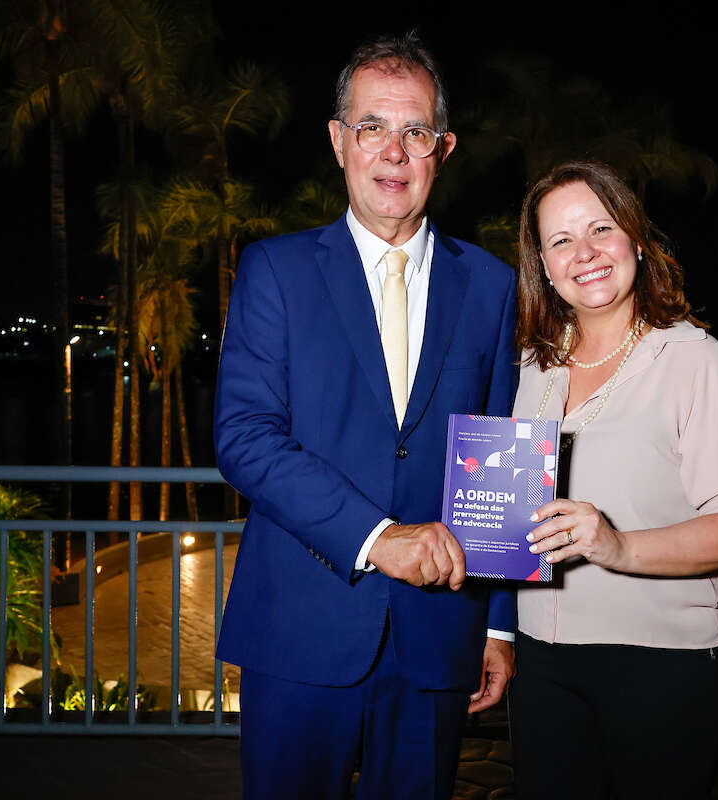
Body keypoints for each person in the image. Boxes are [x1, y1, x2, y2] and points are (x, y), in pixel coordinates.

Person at [213, 32, 517, 800]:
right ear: (338, 142)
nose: (392, 153)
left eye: (414, 131)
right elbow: (245, 438)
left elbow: (504, 456)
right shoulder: (274, 270)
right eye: (371, 128)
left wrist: (499, 625)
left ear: (441, 149)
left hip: (439, 636)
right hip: (298, 632)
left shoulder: (491, 287)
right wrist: (379, 540)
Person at [508, 160, 718, 799]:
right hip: (542, 663)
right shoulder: (530, 368)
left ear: (634, 239)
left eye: (600, 228)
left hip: (664, 663)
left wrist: (617, 546)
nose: (586, 254)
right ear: (543, 266)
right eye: (561, 240)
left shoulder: (699, 363)